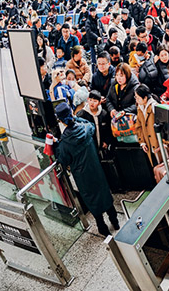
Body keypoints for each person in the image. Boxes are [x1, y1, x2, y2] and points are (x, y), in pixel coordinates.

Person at [54, 102, 119, 237]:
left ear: (61, 121)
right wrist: (76, 118)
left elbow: (62, 160)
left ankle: (102, 227)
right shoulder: (86, 128)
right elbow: (90, 125)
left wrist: (55, 145)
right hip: (96, 169)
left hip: (83, 177)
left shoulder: (64, 144)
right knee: (104, 193)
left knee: (92, 199)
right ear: (71, 113)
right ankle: (115, 221)